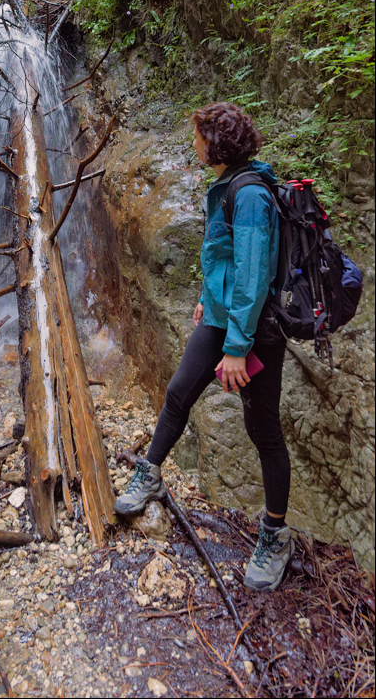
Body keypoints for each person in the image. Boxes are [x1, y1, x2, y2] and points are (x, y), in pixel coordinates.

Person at [114, 101, 294, 592]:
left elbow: (255, 276)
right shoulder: (229, 186)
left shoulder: (251, 193)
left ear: (214, 144)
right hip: (220, 316)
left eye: (197, 136)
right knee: (178, 393)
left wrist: (237, 347)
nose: (193, 144)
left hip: (253, 328)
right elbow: (226, 256)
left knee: (263, 428)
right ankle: (149, 474)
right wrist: (205, 297)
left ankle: (276, 536)